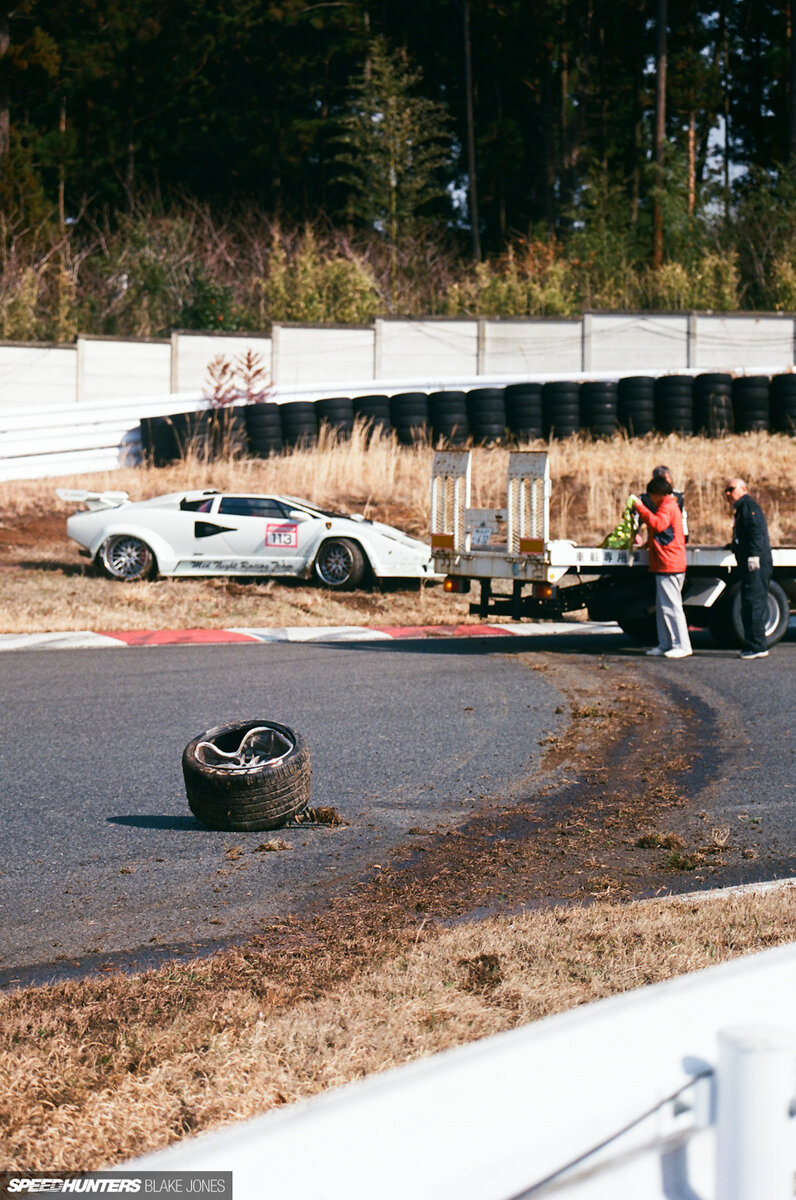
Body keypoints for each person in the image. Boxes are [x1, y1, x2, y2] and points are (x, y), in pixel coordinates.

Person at [632, 476, 692, 658]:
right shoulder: (668, 505)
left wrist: (640, 508)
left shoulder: (667, 506)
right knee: (663, 607)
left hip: (670, 564)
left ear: (657, 493)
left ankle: (682, 645)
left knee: (672, 607)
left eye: (651, 495)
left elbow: (658, 524)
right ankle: (666, 644)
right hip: (665, 564)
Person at [725, 477, 773, 659]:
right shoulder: (740, 509)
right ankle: (754, 645)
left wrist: (754, 556)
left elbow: (756, 533)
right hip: (749, 562)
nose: (728, 494)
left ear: (743, 489)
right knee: (749, 602)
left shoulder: (749, 507)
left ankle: (758, 646)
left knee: (754, 603)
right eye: (726, 491)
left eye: (731, 489)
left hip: (756, 564)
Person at [634, 464, 688, 545]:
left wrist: (685, 537)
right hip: (656, 543)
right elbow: (637, 520)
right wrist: (636, 535)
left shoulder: (677, 497)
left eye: (670, 478)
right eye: (666, 479)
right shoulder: (645, 499)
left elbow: (682, 519)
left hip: (669, 545)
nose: (669, 481)